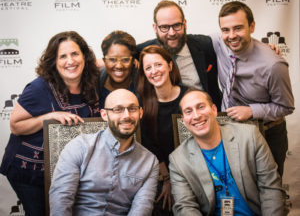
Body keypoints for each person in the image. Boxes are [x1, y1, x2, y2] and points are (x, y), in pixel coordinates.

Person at [0, 31, 100, 216]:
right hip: (30, 172)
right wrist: (48, 117)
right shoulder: (39, 88)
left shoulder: (92, 83)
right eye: (62, 56)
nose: (70, 61)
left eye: (75, 54)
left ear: (84, 56)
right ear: (54, 61)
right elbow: (15, 125)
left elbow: (108, 60)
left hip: (66, 172)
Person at [169, 89, 287, 215]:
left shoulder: (249, 136)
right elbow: (185, 207)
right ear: (184, 120)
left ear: (214, 110)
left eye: (201, 107)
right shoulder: (178, 160)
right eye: (188, 111)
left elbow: (271, 188)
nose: (196, 116)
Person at [210, 1, 294, 176]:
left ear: (252, 26)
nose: (231, 35)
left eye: (238, 28)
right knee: (237, 190)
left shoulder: (273, 65)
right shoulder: (219, 43)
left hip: (267, 135)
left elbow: (286, 106)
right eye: (226, 30)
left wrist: (251, 111)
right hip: (231, 132)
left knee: (268, 193)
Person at [50, 89, 159, 216]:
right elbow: (61, 200)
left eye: (132, 109)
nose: (126, 116)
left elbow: (142, 209)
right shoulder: (79, 147)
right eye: (117, 109)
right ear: (104, 115)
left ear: (140, 113)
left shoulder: (150, 162)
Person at [137, 0, 222, 110]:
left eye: (177, 25)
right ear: (155, 28)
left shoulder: (205, 45)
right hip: (164, 118)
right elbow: (116, 59)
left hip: (203, 114)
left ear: (185, 24)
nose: (172, 33)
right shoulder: (143, 52)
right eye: (164, 27)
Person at [138, 45, 187, 215]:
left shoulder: (189, 97)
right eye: (148, 68)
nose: (154, 71)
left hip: (192, 170)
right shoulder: (142, 104)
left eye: (158, 65)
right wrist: (167, 180)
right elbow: (151, 147)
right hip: (162, 172)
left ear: (170, 66)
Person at [99, 30, 138, 108]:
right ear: (104, 61)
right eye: (112, 59)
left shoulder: (143, 83)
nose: (119, 66)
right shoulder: (94, 83)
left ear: (133, 61)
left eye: (125, 60)